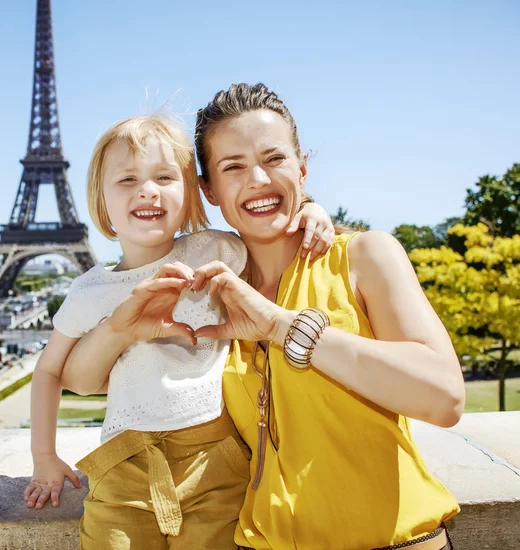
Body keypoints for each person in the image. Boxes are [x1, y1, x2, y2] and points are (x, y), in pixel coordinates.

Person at [22, 114, 334, 549]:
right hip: (125, 465)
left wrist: (310, 209)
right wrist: (44, 458)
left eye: (164, 177)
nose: (147, 190)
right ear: (100, 200)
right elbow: (49, 370)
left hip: (215, 457)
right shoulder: (90, 291)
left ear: (190, 194)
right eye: (128, 179)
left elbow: (276, 227)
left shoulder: (216, 249)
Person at [186, 83, 465, 550]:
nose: (257, 179)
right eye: (233, 167)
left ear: (302, 167)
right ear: (209, 190)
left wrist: (282, 327)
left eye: (273, 159)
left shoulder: (364, 257)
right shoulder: (211, 291)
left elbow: (445, 398)